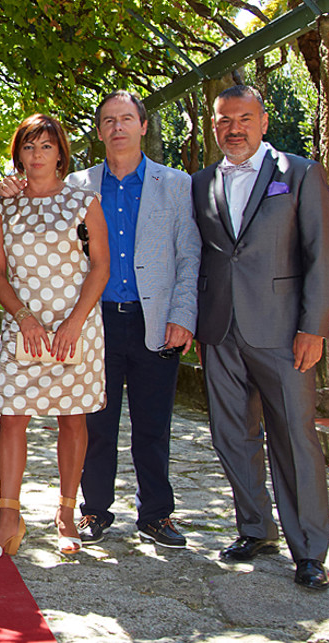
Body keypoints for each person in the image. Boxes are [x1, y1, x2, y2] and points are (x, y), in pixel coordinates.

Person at [193, 84, 329, 591]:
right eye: (223, 121)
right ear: (214, 125)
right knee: (231, 435)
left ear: (263, 119)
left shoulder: (299, 173)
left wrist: (313, 327)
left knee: (294, 438)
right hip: (218, 329)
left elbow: (322, 256)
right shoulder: (202, 181)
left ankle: (310, 550)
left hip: (282, 332)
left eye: (243, 118)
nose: (233, 129)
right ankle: (255, 528)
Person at [69, 92, 201, 549]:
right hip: (96, 322)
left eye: (127, 118)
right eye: (109, 120)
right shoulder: (77, 184)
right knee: (97, 423)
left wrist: (183, 316)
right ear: (100, 130)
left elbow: (190, 255)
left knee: (153, 426)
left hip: (156, 320)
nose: (118, 127)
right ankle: (94, 510)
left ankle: (157, 515)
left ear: (143, 126)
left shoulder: (177, 185)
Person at [0, 114, 109, 559]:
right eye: (28, 147)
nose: (36, 156)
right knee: (13, 417)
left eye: (46, 147)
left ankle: (67, 513)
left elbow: (100, 266)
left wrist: (74, 322)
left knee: (73, 418)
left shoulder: (84, 201)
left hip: (77, 327)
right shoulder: (4, 207)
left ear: (61, 154)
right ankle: (9, 519)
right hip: (25, 329)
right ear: (18, 154)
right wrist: (23, 316)